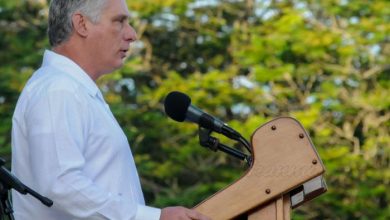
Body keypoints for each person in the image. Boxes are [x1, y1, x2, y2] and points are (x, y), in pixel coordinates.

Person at [11, 0, 210, 219]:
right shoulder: (58, 89)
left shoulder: (72, 90)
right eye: (119, 21)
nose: (132, 34)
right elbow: (61, 185)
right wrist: (154, 217)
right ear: (82, 24)